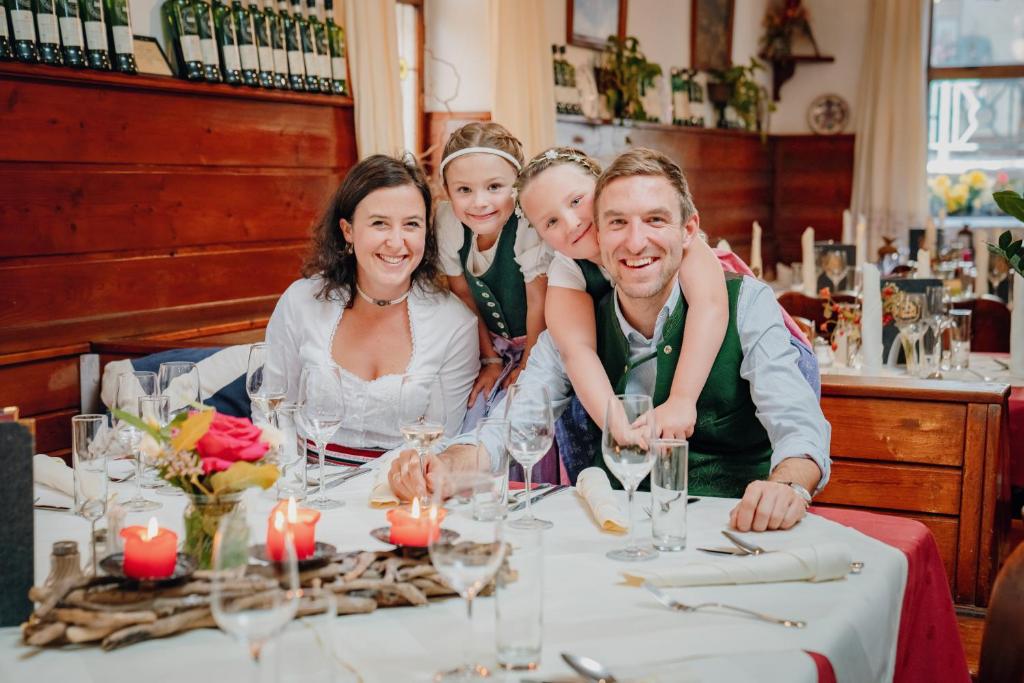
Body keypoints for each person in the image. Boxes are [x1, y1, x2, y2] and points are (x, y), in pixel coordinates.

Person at [390, 148, 831, 532]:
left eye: (655, 220)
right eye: (618, 223)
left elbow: (798, 427)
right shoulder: (573, 311)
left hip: (728, 528)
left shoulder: (742, 302)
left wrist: (787, 485)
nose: (635, 241)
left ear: (688, 229)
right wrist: (447, 467)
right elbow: (512, 424)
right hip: (611, 534)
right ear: (599, 229)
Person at [265, 154, 479, 466]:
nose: (396, 242)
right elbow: (274, 410)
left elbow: (442, 439)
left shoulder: (455, 323)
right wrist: (294, 483)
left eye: (411, 225)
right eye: (379, 223)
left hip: (397, 495)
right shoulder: (301, 301)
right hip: (305, 489)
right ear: (348, 231)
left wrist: (369, 492)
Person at [434, 123, 552, 424]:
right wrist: (489, 359)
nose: (479, 202)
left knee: (520, 412)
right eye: (464, 190)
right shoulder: (449, 224)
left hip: (542, 344)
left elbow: (538, 302)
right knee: (473, 408)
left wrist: (526, 365)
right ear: (447, 191)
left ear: (517, 186)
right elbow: (462, 294)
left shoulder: (526, 225)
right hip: (489, 342)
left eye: (494, 187)